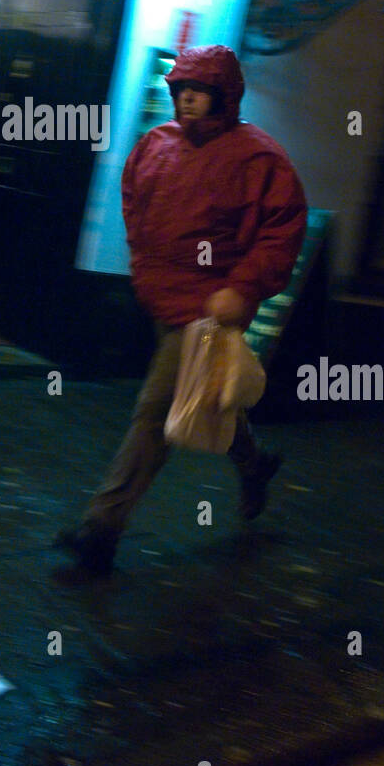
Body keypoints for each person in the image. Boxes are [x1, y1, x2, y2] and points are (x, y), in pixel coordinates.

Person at [54, 44, 308, 577]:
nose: (189, 99)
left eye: (200, 91)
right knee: (206, 395)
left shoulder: (257, 157)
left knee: (154, 412)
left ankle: (100, 532)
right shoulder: (157, 144)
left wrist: (240, 288)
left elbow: (281, 229)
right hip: (161, 297)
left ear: (224, 96)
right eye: (181, 90)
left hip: (208, 308)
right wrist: (144, 263)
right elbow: (134, 203)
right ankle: (255, 464)